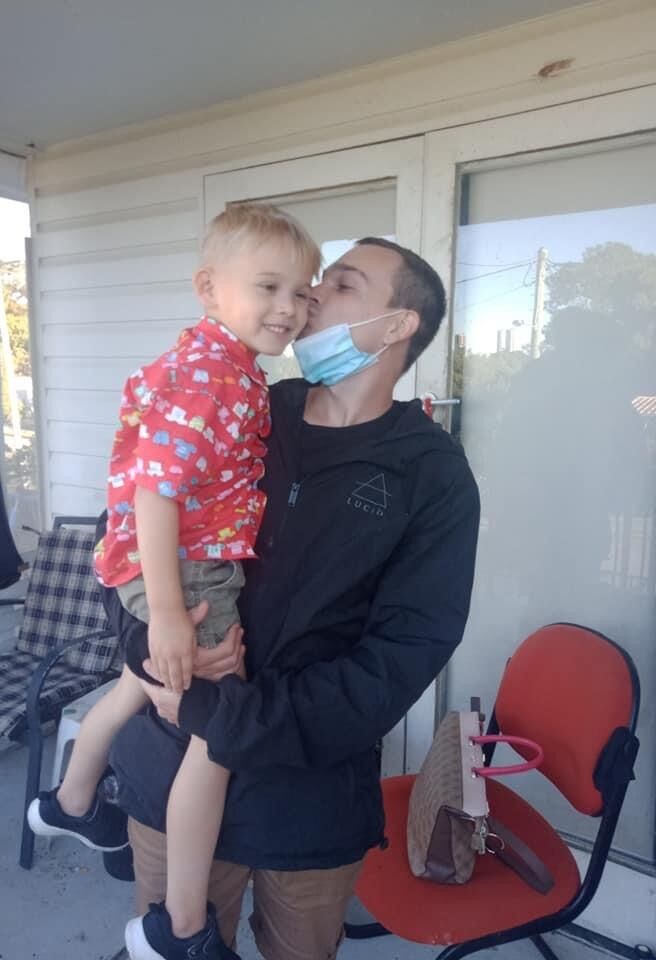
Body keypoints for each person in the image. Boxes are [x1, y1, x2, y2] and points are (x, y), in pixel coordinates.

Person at [109, 236, 481, 960]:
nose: (311, 298)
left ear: (398, 326)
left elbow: (405, 652)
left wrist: (230, 716)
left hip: (308, 803)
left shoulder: (431, 474)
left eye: (342, 285)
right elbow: (125, 527)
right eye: (318, 282)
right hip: (170, 762)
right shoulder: (243, 401)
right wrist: (148, 649)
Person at [27, 203, 321, 960]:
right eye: (268, 286)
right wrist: (165, 611)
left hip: (169, 561)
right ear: (208, 287)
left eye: (303, 291)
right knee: (220, 736)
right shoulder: (210, 375)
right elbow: (156, 492)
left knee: (138, 684)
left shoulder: (225, 364)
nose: (289, 307)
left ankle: (72, 798)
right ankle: (180, 926)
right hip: (185, 568)